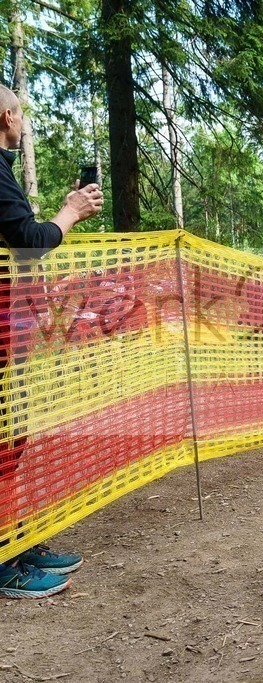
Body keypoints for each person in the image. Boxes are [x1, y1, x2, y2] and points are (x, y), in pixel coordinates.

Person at [0, 84, 103, 598]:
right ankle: (4, 563)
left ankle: (14, 540)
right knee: (4, 441)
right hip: (3, 328)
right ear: (7, 116)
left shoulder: (4, 170)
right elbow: (28, 240)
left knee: (13, 436)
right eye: (21, 115)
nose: (23, 124)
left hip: (11, 328)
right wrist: (70, 214)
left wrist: (64, 211)